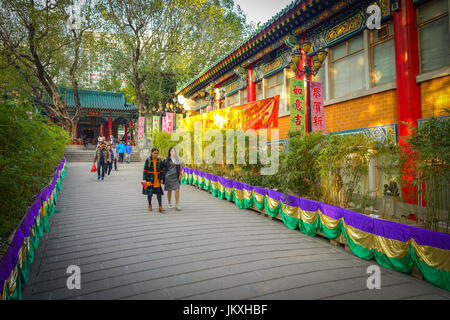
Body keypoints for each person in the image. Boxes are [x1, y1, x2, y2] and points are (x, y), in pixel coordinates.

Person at [142, 148, 165, 213]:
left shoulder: (159, 160)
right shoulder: (148, 160)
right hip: (150, 179)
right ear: (151, 153)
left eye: (157, 153)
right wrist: (144, 179)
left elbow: (161, 170)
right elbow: (145, 170)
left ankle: (160, 206)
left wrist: (161, 178)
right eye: (154, 153)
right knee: (150, 194)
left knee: (159, 193)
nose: (156, 154)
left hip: (157, 179)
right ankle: (149, 205)